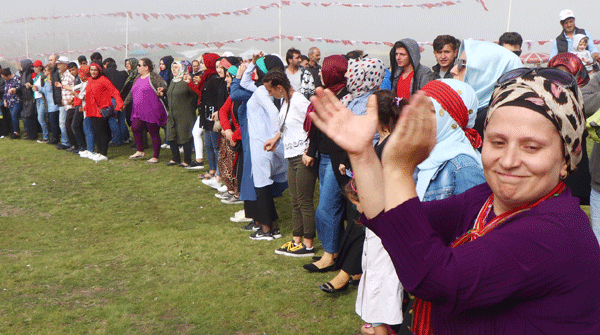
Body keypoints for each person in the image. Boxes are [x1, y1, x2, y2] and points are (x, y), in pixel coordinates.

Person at [309, 67, 600, 334]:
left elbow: (440, 280)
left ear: (566, 159)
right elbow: (392, 220)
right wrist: (363, 155)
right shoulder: (486, 199)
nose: (509, 161)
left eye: (532, 147)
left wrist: (399, 169)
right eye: (497, 142)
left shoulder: (556, 231)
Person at [262, 70, 316, 256]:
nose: (270, 95)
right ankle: (296, 241)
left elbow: (314, 124)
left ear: (279, 87)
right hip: (291, 155)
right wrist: (275, 139)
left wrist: (310, 151)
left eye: (270, 91)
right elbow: (287, 125)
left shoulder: (300, 101)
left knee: (304, 201)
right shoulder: (285, 101)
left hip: (303, 156)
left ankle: (308, 245)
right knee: (295, 201)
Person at [239, 54, 288, 240]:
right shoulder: (265, 90)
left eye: (258, 68)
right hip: (268, 144)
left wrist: (277, 136)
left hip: (263, 145)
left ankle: (266, 229)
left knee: (262, 188)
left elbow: (274, 112)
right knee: (265, 187)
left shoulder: (261, 92)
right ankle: (272, 226)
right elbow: (244, 82)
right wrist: (251, 63)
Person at [450, 40, 522, 139]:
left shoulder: (492, 122)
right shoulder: (470, 111)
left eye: (461, 64)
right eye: (457, 61)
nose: (453, 70)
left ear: (487, 75)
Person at [547, 53, 592, 207]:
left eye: (567, 74)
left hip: (576, 160)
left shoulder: (584, 95)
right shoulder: (545, 94)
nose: (561, 78)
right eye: (556, 72)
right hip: (553, 158)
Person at [123, 58, 168, 163]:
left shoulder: (154, 76)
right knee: (135, 127)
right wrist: (124, 103)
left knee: (153, 132)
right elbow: (131, 92)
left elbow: (163, 86)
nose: (137, 67)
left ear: (146, 67)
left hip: (152, 110)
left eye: (139, 65)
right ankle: (140, 151)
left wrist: (162, 90)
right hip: (138, 110)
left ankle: (155, 156)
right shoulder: (137, 77)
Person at [162, 60, 198, 167]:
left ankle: (187, 160)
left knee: (184, 136)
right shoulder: (173, 81)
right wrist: (163, 93)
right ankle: (175, 159)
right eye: (173, 67)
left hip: (185, 114)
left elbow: (196, 95)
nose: (173, 69)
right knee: (171, 135)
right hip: (172, 114)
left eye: (176, 67)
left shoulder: (186, 81)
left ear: (183, 68)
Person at [85, 62, 123, 162]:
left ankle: (104, 153)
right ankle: (99, 152)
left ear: (99, 71)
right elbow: (89, 95)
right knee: (96, 132)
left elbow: (115, 92)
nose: (93, 72)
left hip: (102, 110)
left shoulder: (104, 80)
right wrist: (86, 106)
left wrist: (119, 104)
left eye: (95, 70)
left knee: (102, 132)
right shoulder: (89, 80)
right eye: (91, 69)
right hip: (92, 110)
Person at [197, 53, 225, 187]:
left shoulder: (216, 80)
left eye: (203, 62)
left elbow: (218, 100)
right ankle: (213, 169)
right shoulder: (206, 79)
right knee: (208, 145)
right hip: (206, 117)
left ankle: (219, 174)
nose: (201, 64)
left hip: (214, 117)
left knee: (216, 146)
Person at [38, 65, 60, 145]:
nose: (44, 72)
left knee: (54, 123)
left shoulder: (52, 81)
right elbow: (45, 90)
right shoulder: (47, 81)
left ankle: (55, 138)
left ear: (50, 71)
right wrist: (39, 89)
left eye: (45, 70)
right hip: (50, 105)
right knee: (52, 122)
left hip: (54, 105)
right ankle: (55, 137)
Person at [32, 60, 48, 143]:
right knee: (40, 118)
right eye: (34, 67)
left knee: (41, 118)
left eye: (36, 66)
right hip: (37, 98)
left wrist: (38, 89)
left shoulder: (43, 75)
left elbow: (44, 88)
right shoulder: (37, 76)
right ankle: (45, 135)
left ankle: (46, 136)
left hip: (42, 98)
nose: (34, 68)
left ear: (40, 67)